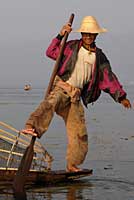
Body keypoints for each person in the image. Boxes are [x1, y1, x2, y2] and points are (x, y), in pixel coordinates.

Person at [22, 16, 131, 172]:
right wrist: (60, 35)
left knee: (79, 132)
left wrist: (121, 97)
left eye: (91, 34)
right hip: (62, 86)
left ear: (96, 36)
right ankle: (32, 126)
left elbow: (108, 77)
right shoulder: (71, 46)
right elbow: (51, 52)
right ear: (82, 34)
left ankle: (72, 164)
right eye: (85, 33)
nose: (88, 36)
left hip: (75, 96)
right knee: (50, 104)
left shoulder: (99, 57)